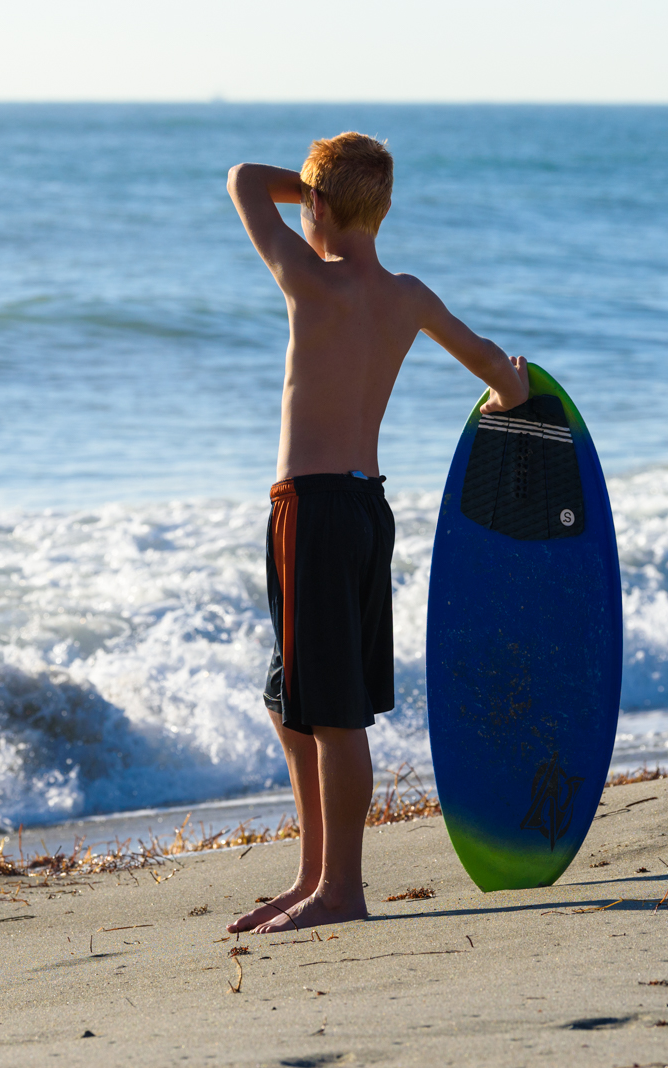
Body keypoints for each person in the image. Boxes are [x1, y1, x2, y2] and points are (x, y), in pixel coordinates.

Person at [225, 132, 530, 934]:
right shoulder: (409, 297)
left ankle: (342, 892)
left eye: (313, 202)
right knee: (292, 698)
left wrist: (319, 190)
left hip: (309, 509)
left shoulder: (306, 279)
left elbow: (244, 182)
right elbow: (501, 376)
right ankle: (315, 877)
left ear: (317, 206)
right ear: (383, 211)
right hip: (366, 510)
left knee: (330, 712)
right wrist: (512, 392)